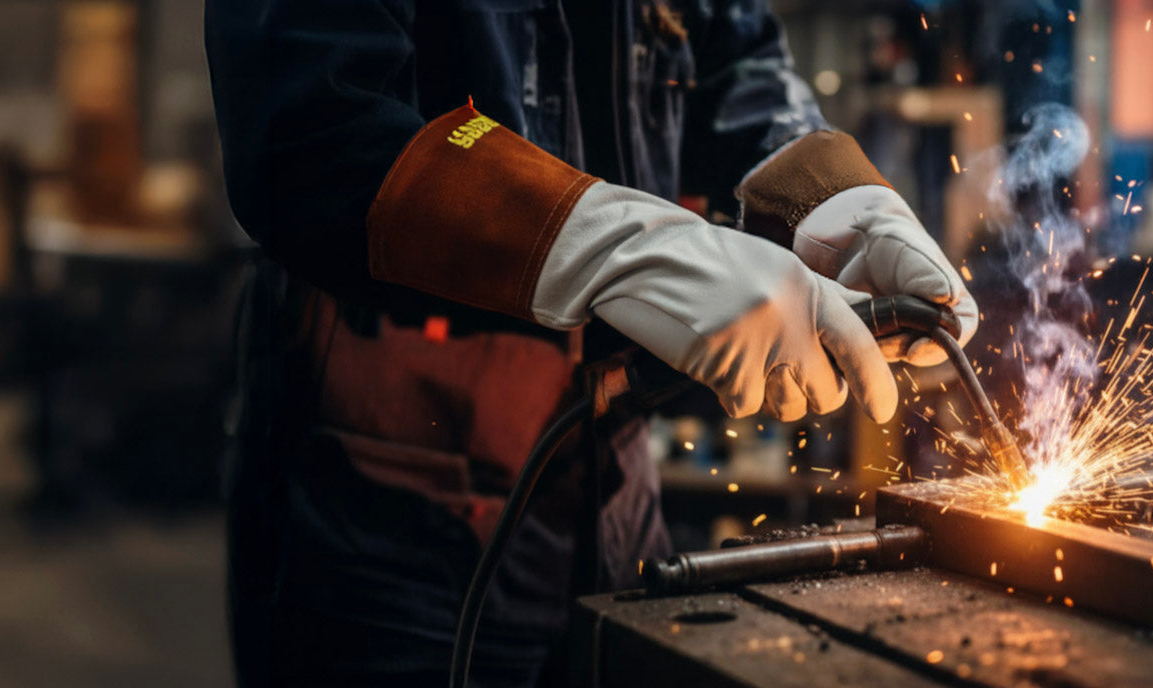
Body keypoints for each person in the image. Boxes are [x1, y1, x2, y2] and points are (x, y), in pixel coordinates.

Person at [206, 2, 977, 685]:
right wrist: (605, 245)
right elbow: (312, 125)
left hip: (607, 478)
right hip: (382, 507)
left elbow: (735, 58)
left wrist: (825, 193)